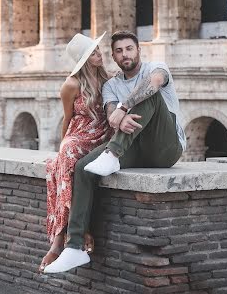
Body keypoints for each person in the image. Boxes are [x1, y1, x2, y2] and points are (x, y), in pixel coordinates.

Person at [44, 30, 187, 273]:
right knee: (83, 167)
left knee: (148, 92)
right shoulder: (111, 84)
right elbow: (111, 116)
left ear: (139, 50)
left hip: (165, 147)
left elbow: (154, 83)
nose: (125, 54)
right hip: (135, 147)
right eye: (119, 51)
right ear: (114, 56)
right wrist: (117, 116)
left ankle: (112, 154)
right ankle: (75, 246)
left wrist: (124, 107)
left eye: (129, 48)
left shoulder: (156, 67)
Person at [38, 31, 113, 273]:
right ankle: (67, 236)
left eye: (98, 50)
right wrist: (63, 147)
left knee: (67, 167)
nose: (99, 55)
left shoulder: (109, 79)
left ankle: (63, 240)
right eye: (93, 53)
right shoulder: (70, 84)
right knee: (65, 161)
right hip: (79, 135)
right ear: (83, 59)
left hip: (102, 135)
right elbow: (67, 119)